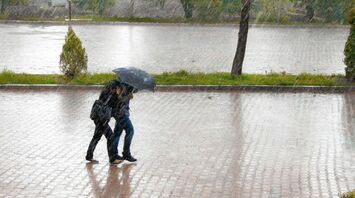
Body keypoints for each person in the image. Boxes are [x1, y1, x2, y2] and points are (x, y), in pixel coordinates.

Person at [86, 80, 123, 164]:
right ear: (113, 88)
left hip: (98, 118)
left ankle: (89, 156)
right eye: (117, 88)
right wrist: (118, 96)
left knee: (96, 137)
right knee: (110, 136)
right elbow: (112, 106)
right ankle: (112, 159)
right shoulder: (110, 95)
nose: (118, 89)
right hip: (101, 119)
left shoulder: (106, 92)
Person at [111, 83, 138, 162]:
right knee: (130, 131)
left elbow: (135, 90)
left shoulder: (126, 85)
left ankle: (114, 154)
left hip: (119, 113)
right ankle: (125, 153)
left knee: (117, 133)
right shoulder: (120, 86)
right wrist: (128, 97)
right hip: (121, 114)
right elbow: (119, 99)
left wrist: (133, 90)